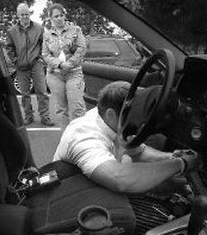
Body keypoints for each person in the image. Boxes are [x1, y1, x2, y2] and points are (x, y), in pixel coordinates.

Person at [53, 81, 199, 193]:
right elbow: (119, 179)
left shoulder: (116, 122)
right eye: (131, 114)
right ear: (111, 114)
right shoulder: (84, 136)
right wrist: (180, 164)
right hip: (72, 189)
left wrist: (172, 157)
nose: (136, 119)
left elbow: (140, 152)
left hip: (93, 179)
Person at [6, 2, 54, 126]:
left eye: (27, 14)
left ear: (29, 14)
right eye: (22, 15)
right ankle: (28, 116)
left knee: (42, 91)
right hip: (21, 66)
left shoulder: (39, 28)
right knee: (25, 94)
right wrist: (15, 60)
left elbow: (45, 45)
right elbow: (9, 47)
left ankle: (45, 116)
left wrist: (42, 59)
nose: (25, 17)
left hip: (36, 64)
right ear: (18, 15)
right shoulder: (12, 31)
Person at [42, 3, 87, 130]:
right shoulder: (47, 35)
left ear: (65, 16)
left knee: (77, 108)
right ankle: (67, 140)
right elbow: (45, 55)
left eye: (61, 15)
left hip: (74, 73)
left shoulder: (76, 30)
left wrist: (70, 63)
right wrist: (61, 64)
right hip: (55, 75)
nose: (59, 18)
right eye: (56, 16)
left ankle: (81, 139)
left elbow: (82, 48)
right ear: (50, 18)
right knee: (62, 110)